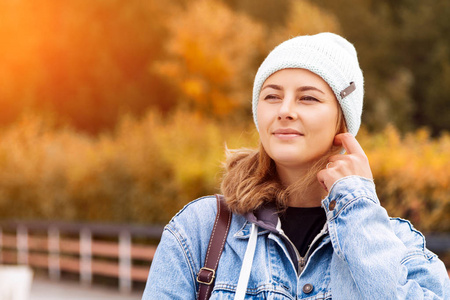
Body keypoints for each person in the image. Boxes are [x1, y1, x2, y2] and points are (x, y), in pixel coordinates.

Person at [142, 33, 450, 299]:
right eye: (272, 96)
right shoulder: (199, 230)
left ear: (342, 121)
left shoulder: (398, 244)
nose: (285, 110)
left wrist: (358, 208)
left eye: (308, 99)